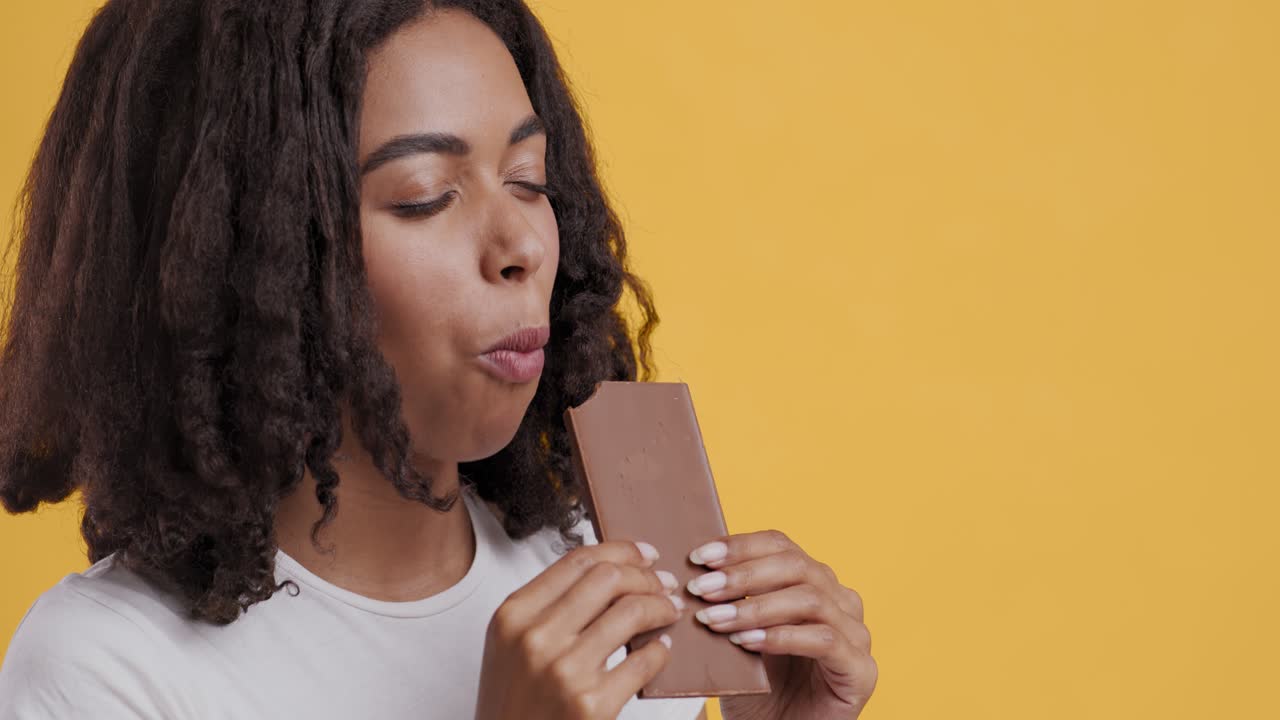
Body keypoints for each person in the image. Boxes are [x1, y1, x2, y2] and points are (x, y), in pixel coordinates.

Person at [0, 1, 877, 717]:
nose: (521, 246)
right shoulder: (105, 672)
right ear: (250, 258)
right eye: (425, 199)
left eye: (530, 180)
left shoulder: (616, 598)